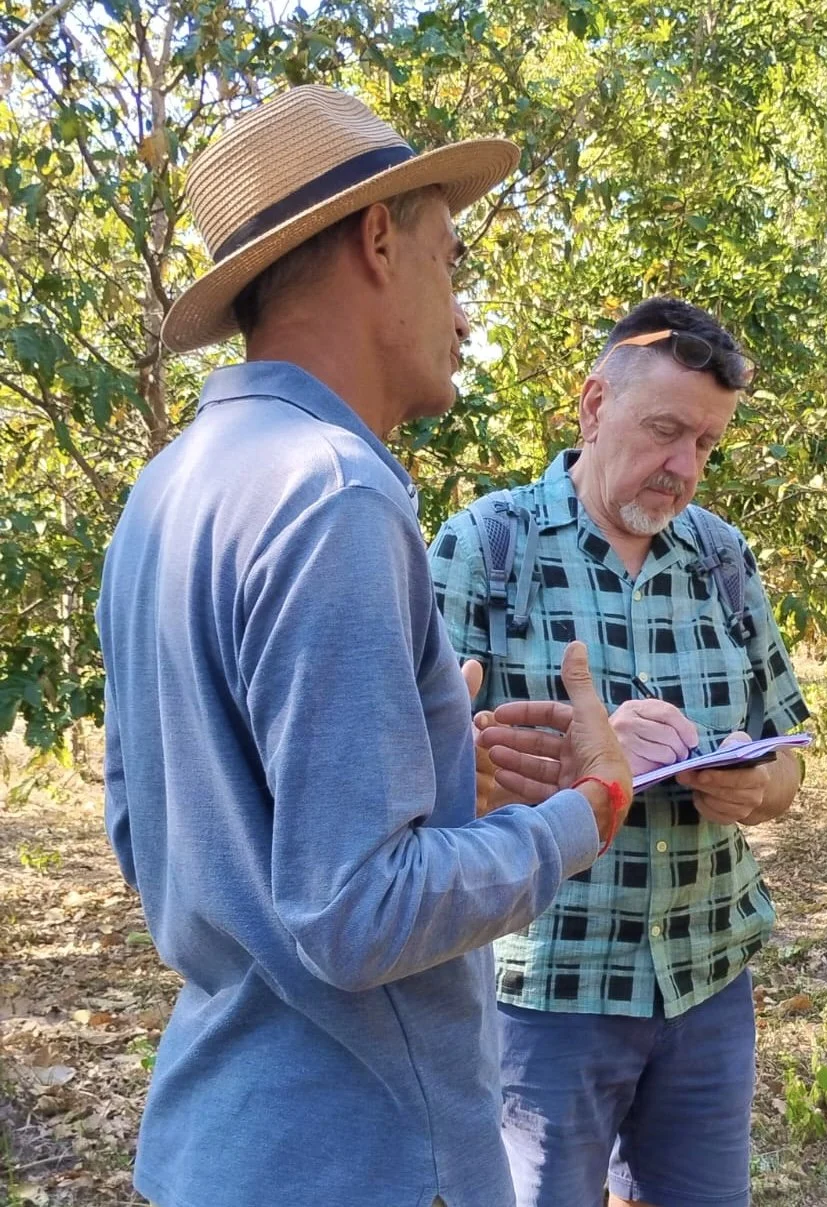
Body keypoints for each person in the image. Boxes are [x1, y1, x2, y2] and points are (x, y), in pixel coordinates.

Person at [96, 84, 633, 1207]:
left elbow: (155, 825)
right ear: (378, 239)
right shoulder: (335, 494)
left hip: (217, 1142)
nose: (466, 313)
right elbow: (354, 912)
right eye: (451, 259)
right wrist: (577, 818)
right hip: (365, 1152)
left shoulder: (167, 493)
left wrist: (435, 782)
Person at [429, 297, 810, 1207]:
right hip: (547, 992)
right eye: (666, 430)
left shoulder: (723, 557)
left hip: (707, 982)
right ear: (594, 405)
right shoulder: (485, 549)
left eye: (707, 444)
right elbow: (417, 783)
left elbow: (790, 755)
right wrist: (584, 766)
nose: (683, 468)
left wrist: (756, 787)